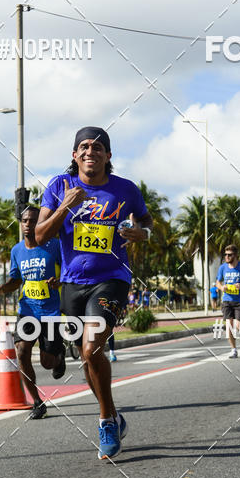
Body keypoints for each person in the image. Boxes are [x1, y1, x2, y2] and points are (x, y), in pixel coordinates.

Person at [36, 126, 153, 460]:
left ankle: (104, 421)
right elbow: (41, 235)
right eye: (84, 146)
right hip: (73, 283)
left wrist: (141, 232)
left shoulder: (125, 189)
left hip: (112, 278)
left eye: (99, 147)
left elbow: (146, 221)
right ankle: (114, 416)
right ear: (75, 155)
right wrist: (65, 207)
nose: (91, 151)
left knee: (91, 347)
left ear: (109, 156)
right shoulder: (60, 186)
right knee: (88, 358)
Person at [0, 206, 65, 419]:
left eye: (32, 221)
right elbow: (16, 280)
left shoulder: (55, 246)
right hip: (28, 311)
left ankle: (59, 357)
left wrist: (59, 282)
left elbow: (70, 271)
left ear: (40, 223)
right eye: (24, 221)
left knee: (47, 363)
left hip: (50, 313)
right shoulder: (17, 251)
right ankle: (38, 403)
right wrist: (1, 289)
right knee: (21, 351)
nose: (27, 225)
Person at [216, 245, 240, 358]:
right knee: (229, 326)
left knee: (238, 324)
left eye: (229, 254)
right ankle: (233, 350)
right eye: (225, 254)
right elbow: (218, 282)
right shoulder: (222, 268)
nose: (227, 256)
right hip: (226, 300)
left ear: (236, 255)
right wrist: (222, 288)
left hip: (239, 301)